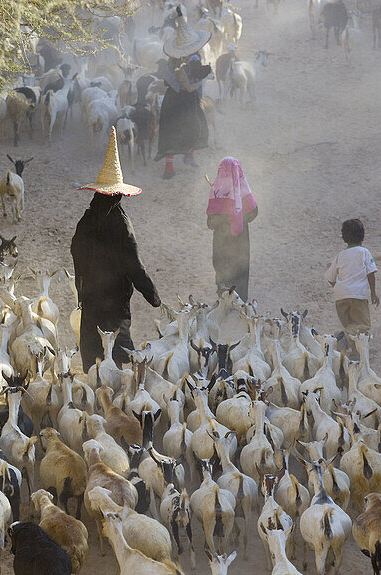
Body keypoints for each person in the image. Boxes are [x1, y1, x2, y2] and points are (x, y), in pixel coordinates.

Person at [71, 128, 162, 370]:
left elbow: (75, 252)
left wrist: (83, 285)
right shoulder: (122, 224)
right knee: (118, 353)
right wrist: (152, 295)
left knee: (93, 352)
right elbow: (134, 264)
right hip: (115, 303)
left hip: (91, 298)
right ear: (118, 195)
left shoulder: (86, 220)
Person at [156, 10, 212, 180]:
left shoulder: (172, 61)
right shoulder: (194, 58)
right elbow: (197, 76)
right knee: (195, 126)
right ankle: (190, 156)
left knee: (171, 130)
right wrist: (207, 71)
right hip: (187, 100)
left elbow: (167, 81)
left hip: (171, 99)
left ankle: (170, 168)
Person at [206, 157, 258, 299]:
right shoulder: (243, 188)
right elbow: (254, 212)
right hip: (241, 240)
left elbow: (210, 223)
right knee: (240, 270)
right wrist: (239, 217)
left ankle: (224, 301)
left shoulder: (216, 190)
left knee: (223, 272)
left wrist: (225, 219)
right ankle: (240, 301)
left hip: (221, 242)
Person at [325, 218, 379, 337]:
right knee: (362, 326)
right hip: (358, 296)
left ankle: (351, 349)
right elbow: (371, 273)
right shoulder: (364, 252)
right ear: (362, 236)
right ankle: (342, 336)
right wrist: (373, 293)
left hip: (340, 297)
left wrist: (341, 288)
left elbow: (330, 278)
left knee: (349, 325)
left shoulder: (340, 255)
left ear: (344, 237)